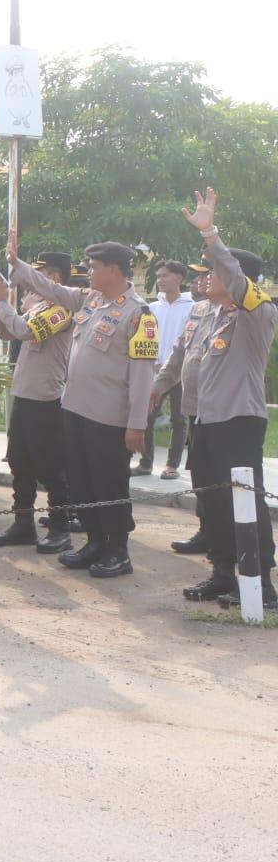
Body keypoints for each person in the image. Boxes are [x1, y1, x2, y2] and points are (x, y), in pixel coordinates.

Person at [8, 234, 156, 578]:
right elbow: (52, 289)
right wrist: (18, 265)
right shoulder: (90, 301)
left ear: (114, 270)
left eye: (94, 267)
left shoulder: (139, 314)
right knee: (83, 480)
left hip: (110, 418)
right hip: (74, 411)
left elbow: (143, 373)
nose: (88, 272)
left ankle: (117, 550)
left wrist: (137, 424)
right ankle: (94, 542)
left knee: (109, 483)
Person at [175, 188, 276, 607]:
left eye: (211, 271)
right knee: (213, 500)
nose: (204, 278)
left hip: (238, 421)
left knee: (244, 503)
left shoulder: (258, 313)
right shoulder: (212, 314)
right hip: (207, 421)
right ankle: (222, 574)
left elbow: (235, 277)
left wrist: (211, 234)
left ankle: (261, 586)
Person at [0, 252, 75, 549]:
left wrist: (2, 303)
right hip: (25, 394)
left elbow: (25, 331)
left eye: (39, 274)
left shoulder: (61, 309)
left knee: (51, 467)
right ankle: (23, 524)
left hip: (46, 399)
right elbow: (11, 331)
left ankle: (60, 529)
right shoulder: (39, 307)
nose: (31, 281)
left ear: (55, 278)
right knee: (19, 463)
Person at [152, 266, 218, 560]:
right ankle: (206, 531)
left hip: (224, 412)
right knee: (201, 475)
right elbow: (180, 353)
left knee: (223, 479)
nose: (201, 280)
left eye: (209, 274)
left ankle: (227, 541)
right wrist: (157, 386)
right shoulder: (200, 310)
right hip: (197, 409)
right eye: (199, 276)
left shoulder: (242, 312)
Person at [135, 260, 194, 479]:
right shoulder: (152, 308)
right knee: (147, 416)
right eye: (158, 276)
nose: (160, 280)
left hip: (180, 372)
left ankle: (172, 465)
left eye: (165, 276)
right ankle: (145, 463)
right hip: (154, 370)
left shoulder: (192, 308)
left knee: (179, 419)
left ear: (179, 278)